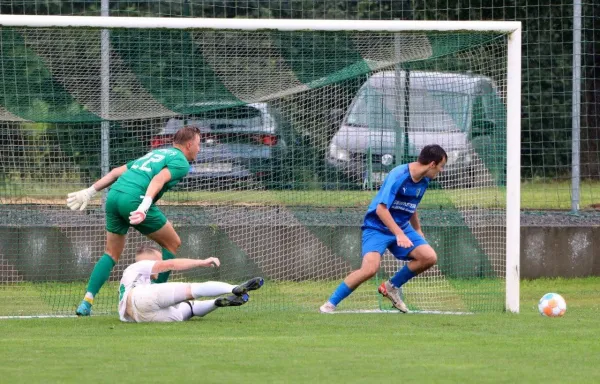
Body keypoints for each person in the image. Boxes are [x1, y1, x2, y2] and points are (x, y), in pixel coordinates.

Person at [67, 126, 201, 316]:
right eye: (198, 144)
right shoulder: (180, 161)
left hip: (113, 197)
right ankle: (154, 299)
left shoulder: (156, 153)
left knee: (111, 254)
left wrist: (90, 191)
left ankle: (87, 301)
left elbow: (115, 172)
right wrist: (143, 207)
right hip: (134, 199)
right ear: (189, 144)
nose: (199, 148)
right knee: (173, 243)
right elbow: (158, 179)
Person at [320, 144, 447, 313]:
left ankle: (391, 287)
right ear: (432, 164)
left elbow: (412, 205)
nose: (441, 171)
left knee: (429, 257)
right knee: (369, 269)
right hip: (377, 227)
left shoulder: (424, 180)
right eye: (441, 166)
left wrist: (417, 230)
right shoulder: (399, 175)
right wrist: (399, 234)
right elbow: (381, 209)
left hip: (401, 227)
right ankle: (329, 304)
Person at [119, 244, 264, 322]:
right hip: (141, 297)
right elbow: (172, 264)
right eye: (158, 260)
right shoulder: (138, 266)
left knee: (186, 310)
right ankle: (234, 288)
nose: (159, 264)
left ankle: (216, 302)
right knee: (194, 289)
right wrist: (201, 262)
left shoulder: (129, 282)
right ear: (148, 260)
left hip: (139, 317)